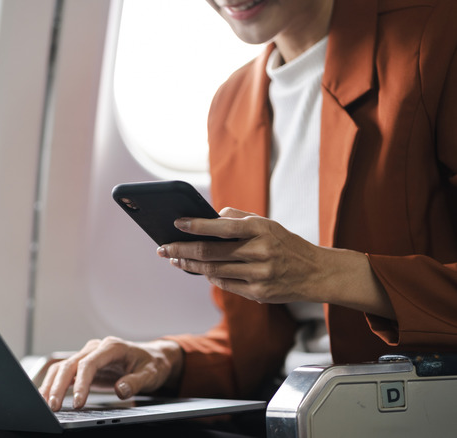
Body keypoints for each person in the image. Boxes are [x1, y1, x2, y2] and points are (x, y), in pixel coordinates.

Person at [39, 0, 457, 420]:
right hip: (293, 401)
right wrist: (167, 358)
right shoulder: (232, 103)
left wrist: (322, 272)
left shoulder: (437, 37)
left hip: (405, 405)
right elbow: (254, 346)